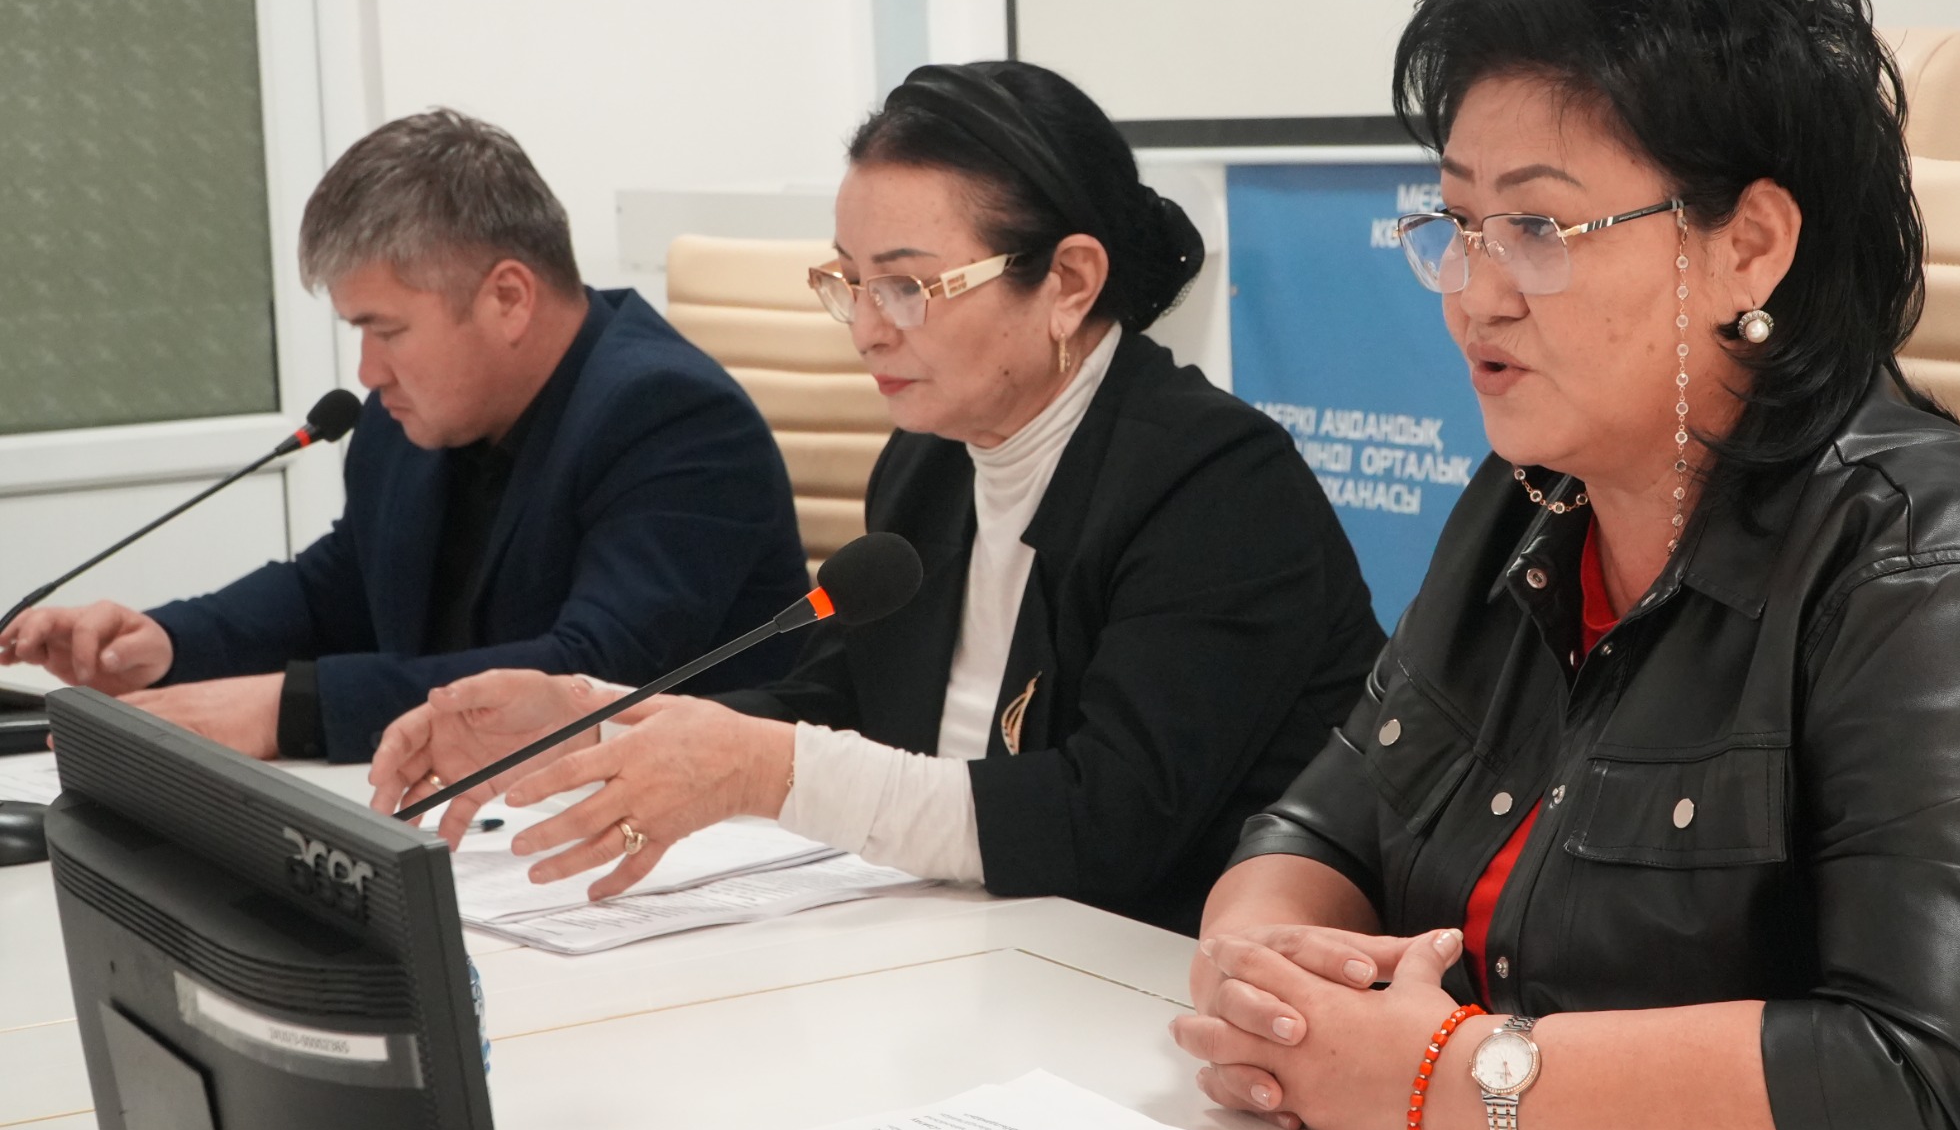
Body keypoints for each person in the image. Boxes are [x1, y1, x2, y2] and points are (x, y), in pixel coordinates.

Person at [1172, 0, 1960, 1130]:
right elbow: (1326, 824)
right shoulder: (1529, 500)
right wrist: (1260, 971)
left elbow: (1930, 1074)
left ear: (1749, 247)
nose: (1475, 291)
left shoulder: (1926, 566)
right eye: (1457, 223)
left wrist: (1445, 1075)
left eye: (1538, 230)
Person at [370, 62, 1385, 935]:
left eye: (907, 287)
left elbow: (1107, 826)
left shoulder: (1217, 486)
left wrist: (767, 770)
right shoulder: (927, 464)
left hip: (1156, 981)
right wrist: (590, 719)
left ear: (1069, 282)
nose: (865, 328)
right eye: (849, 282)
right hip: (979, 948)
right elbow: (835, 705)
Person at [0, 110, 811, 762]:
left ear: (508, 298)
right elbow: (343, 586)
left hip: (698, 856)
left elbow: (588, 673)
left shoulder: (672, 419)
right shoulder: (412, 416)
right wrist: (170, 641)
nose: (368, 369)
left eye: (386, 330)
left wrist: (291, 710)